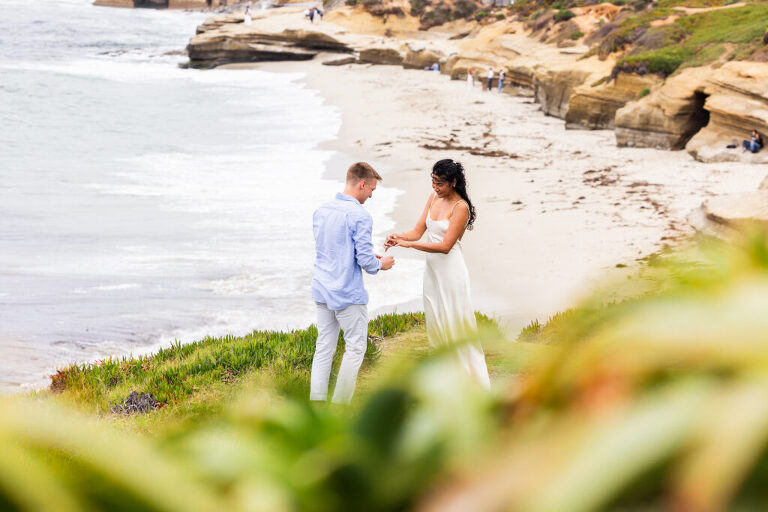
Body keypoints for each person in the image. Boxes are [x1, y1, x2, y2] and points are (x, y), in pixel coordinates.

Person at [385, 159, 490, 388]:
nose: (435, 187)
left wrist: (411, 246)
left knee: (457, 325)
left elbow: (445, 246)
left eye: (440, 184)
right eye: (433, 181)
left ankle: (473, 383)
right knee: (436, 324)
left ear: (453, 182)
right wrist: (399, 238)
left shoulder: (460, 207)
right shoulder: (432, 198)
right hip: (432, 273)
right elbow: (417, 231)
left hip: (451, 272)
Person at [310, 162, 395, 404]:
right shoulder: (360, 215)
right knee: (356, 348)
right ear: (362, 184)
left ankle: (316, 402)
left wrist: (367, 256)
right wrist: (382, 263)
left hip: (322, 289)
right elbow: (367, 262)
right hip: (347, 293)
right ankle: (340, 405)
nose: (370, 195)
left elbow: (333, 249)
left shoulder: (321, 210)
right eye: (372, 190)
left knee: (324, 346)